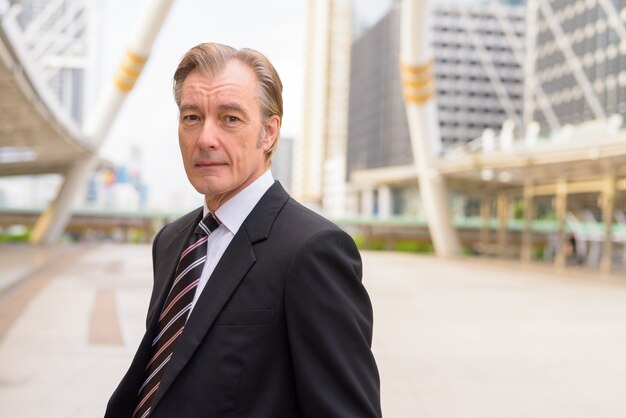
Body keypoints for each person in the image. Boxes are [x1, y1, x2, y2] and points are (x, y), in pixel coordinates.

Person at [104, 43, 382, 418]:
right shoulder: (171, 241)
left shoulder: (312, 251)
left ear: (268, 133)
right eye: (192, 118)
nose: (205, 138)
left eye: (230, 118)